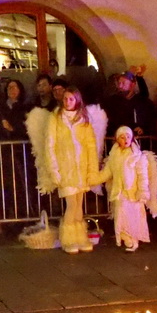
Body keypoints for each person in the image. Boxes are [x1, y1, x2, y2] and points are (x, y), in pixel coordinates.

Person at [41, 83, 108, 253]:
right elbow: (50, 144)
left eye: (71, 99)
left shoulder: (83, 119)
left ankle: (80, 236)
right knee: (72, 204)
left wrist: (92, 170)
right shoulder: (55, 117)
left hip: (81, 168)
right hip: (65, 168)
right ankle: (68, 238)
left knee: (79, 204)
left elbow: (91, 146)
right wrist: (53, 169)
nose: (67, 102)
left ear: (77, 100)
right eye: (65, 99)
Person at [104, 127, 157, 251]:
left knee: (134, 216)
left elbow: (142, 175)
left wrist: (142, 190)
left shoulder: (137, 156)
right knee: (120, 214)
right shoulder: (114, 156)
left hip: (133, 192)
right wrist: (93, 179)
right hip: (120, 191)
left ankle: (134, 239)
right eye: (122, 137)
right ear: (117, 140)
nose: (125, 140)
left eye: (128, 137)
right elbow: (107, 172)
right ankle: (125, 237)